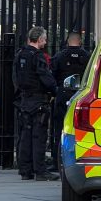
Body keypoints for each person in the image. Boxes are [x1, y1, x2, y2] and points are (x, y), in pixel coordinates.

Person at [12, 26, 59, 181]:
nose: (45, 43)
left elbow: (16, 78)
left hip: (24, 100)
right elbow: (45, 77)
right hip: (38, 100)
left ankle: (25, 170)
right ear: (39, 39)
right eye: (44, 39)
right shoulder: (38, 56)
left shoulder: (20, 54)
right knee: (38, 137)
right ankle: (40, 170)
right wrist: (55, 90)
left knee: (25, 135)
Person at [50, 32, 89, 171]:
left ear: (67, 41)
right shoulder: (87, 57)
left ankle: (57, 162)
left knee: (60, 129)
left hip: (63, 96)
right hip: (82, 98)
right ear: (80, 42)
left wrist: (55, 92)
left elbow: (51, 76)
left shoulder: (59, 56)